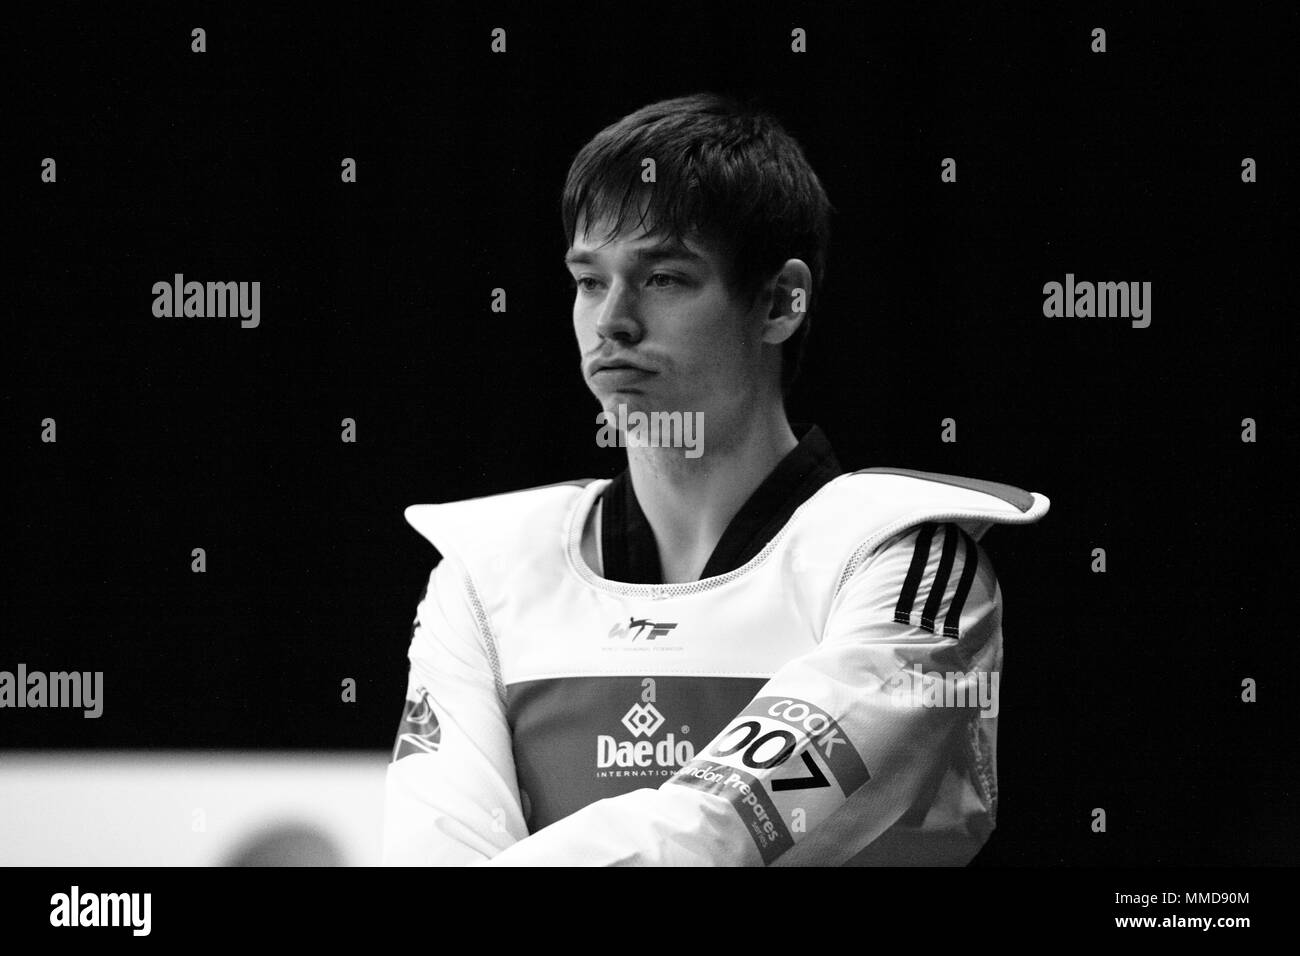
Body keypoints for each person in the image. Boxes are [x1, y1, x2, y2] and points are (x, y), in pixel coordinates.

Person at [382, 93, 1051, 866]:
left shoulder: (903, 558)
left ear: (779, 302)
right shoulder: (487, 569)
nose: (613, 323)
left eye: (663, 278)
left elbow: (719, 836)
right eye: (590, 281)